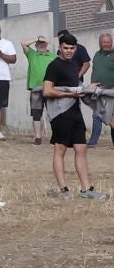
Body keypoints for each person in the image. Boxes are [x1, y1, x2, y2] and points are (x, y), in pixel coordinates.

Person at [41, 31, 105, 199]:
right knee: (60, 150)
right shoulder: (54, 66)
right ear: (60, 48)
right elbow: (47, 90)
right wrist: (69, 94)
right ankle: (63, 190)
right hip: (60, 114)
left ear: (76, 49)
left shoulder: (74, 66)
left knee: (81, 149)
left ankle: (86, 190)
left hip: (75, 112)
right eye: (66, 48)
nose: (69, 51)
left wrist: (89, 88)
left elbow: (75, 88)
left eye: (72, 48)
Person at [21, 34, 58, 145]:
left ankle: (56, 137)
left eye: (44, 43)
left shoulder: (54, 56)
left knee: (53, 113)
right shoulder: (32, 54)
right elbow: (23, 43)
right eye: (40, 43)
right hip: (36, 88)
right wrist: (37, 38)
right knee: (36, 114)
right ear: (36, 45)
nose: (42, 45)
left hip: (50, 88)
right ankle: (38, 137)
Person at [91, 32, 114, 147]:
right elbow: (94, 70)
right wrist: (92, 84)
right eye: (104, 42)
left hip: (111, 90)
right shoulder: (97, 54)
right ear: (100, 43)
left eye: (108, 42)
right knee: (96, 115)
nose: (106, 44)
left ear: (112, 42)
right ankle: (93, 141)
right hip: (98, 90)